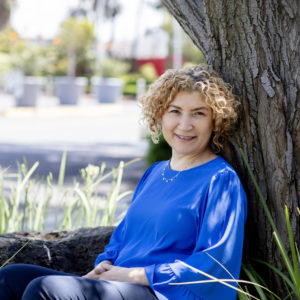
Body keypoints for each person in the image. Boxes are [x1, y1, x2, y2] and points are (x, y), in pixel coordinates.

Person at [0, 65, 247, 300]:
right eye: (175, 111)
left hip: (165, 294)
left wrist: (135, 275)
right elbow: (122, 239)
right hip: (119, 285)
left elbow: (213, 265)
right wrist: (104, 265)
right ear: (160, 114)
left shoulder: (220, 180)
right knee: (10, 278)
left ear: (216, 121)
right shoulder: (155, 173)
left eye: (199, 113)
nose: (184, 124)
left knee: (45, 289)